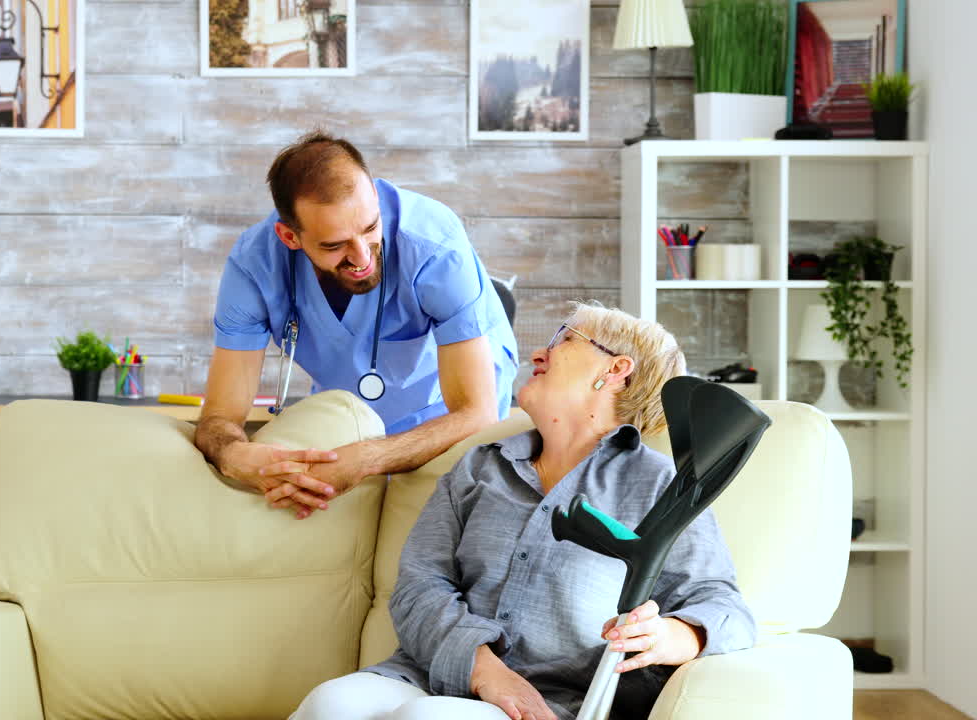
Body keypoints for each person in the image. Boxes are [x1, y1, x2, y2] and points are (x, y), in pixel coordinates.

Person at [291, 302, 756, 720]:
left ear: (615, 369)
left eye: (564, 339)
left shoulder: (659, 486)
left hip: (548, 704)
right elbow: (418, 587)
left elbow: (726, 609)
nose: (539, 352)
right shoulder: (479, 466)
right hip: (426, 675)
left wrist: (669, 636)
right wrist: (483, 670)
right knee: (330, 704)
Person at [195, 131, 518, 519]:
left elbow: (475, 412)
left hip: (450, 406)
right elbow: (219, 417)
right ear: (289, 236)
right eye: (334, 246)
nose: (363, 257)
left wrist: (366, 458)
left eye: (370, 228)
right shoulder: (253, 266)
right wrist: (237, 456)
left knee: (424, 517)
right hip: (352, 406)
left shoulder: (435, 246)